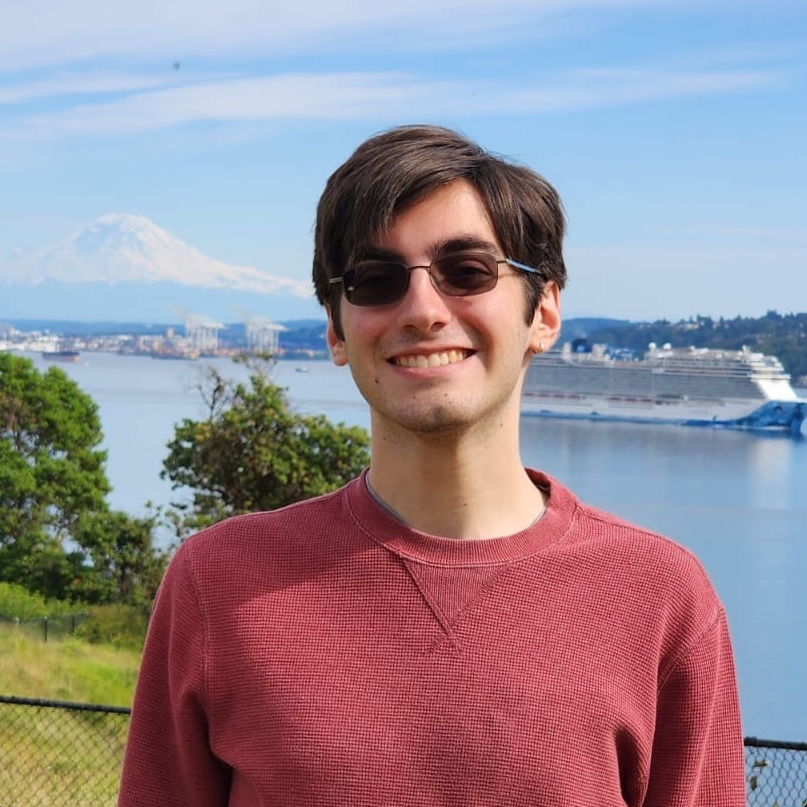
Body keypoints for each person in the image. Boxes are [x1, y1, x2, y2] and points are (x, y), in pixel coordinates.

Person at [118, 125, 746, 806]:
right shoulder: (218, 582)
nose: (421, 310)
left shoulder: (659, 597)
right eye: (374, 280)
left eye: (467, 272)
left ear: (545, 310)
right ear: (334, 328)